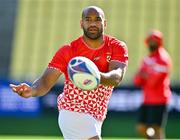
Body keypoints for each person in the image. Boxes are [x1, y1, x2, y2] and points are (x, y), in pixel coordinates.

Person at [10, 6, 128, 140]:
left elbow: (117, 76)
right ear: (81, 23)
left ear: (104, 23)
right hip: (73, 111)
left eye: (97, 20)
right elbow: (46, 81)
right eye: (88, 20)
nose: (93, 23)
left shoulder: (116, 46)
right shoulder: (68, 50)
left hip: (97, 116)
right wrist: (32, 90)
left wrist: (94, 75)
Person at [133, 30, 172, 139]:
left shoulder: (163, 59)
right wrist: (146, 74)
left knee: (157, 129)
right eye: (149, 41)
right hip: (147, 99)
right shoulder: (147, 59)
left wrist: (145, 74)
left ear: (159, 42)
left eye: (154, 41)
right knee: (141, 127)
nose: (151, 43)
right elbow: (137, 80)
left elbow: (152, 82)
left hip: (160, 99)